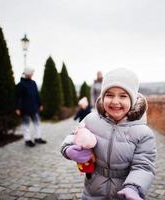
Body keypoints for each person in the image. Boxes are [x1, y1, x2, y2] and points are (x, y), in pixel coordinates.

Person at [61, 68, 157, 199]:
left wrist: (134, 187)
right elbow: (73, 136)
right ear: (102, 97)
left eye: (123, 96)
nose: (115, 101)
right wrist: (68, 149)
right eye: (109, 95)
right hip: (93, 191)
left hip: (123, 192)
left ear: (133, 99)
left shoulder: (143, 133)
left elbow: (144, 166)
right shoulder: (91, 120)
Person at [16, 67, 47, 147]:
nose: (32, 74)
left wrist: (40, 104)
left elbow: (37, 95)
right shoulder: (20, 85)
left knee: (37, 123)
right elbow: (18, 97)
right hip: (24, 108)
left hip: (34, 107)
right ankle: (27, 140)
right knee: (26, 124)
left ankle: (38, 138)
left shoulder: (33, 83)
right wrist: (17, 108)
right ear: (27, 74)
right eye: (31, 73)